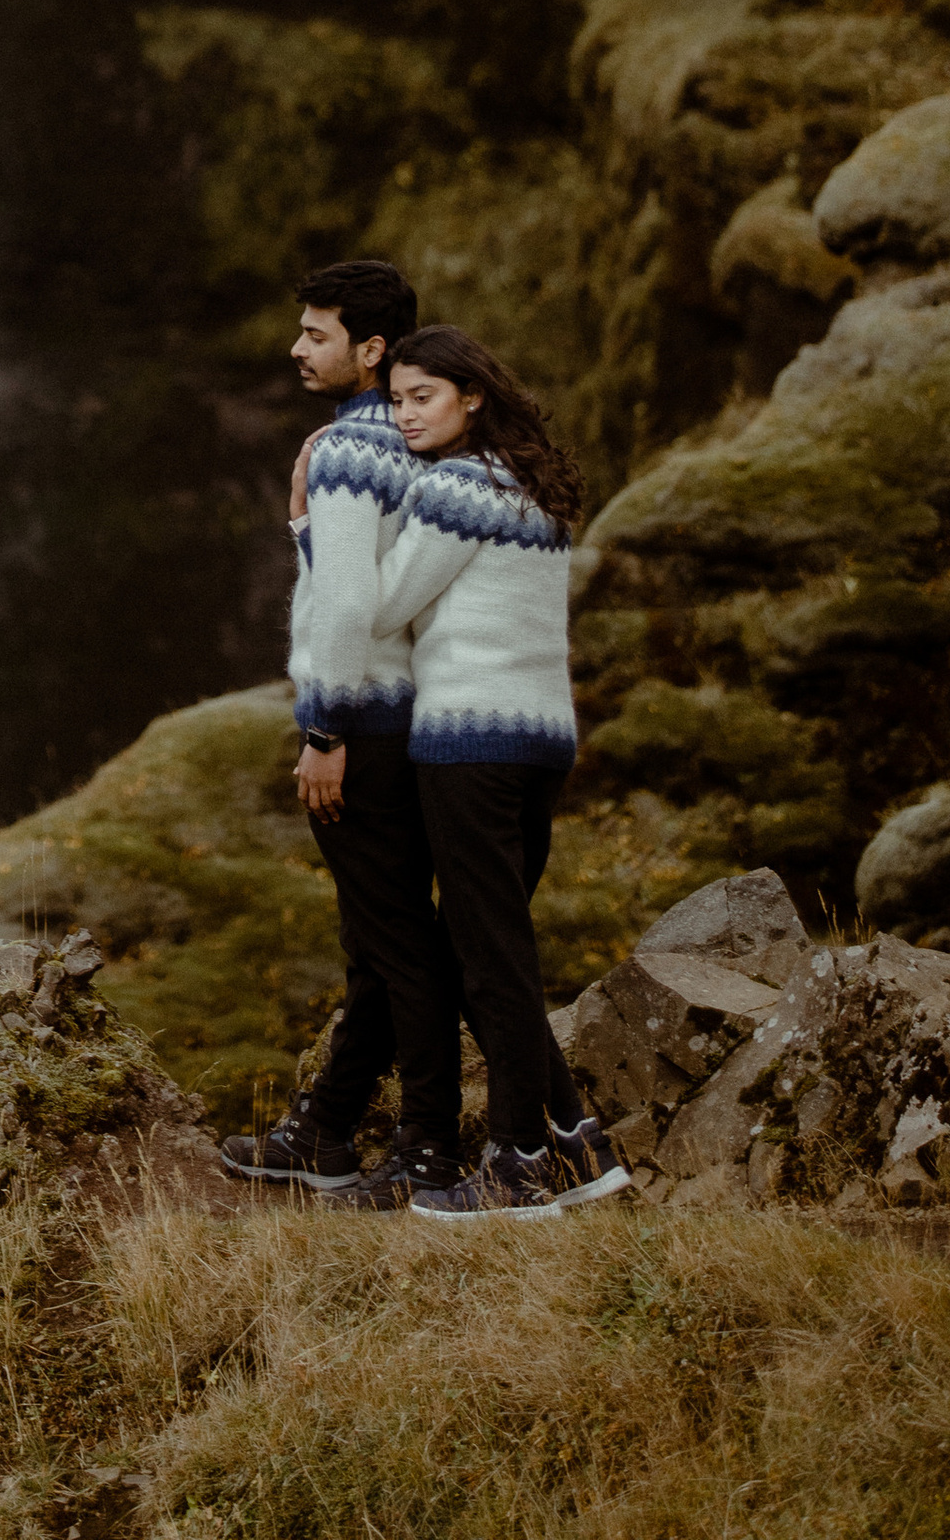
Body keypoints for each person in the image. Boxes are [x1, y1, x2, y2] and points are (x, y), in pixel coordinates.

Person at [218, 257, 469, 1209]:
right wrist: (303, 529)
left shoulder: (347, 450)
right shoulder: (416, 440)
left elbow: (349, 604)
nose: (295, 348)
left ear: (370, 349)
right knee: (380, 940)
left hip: (363, 725)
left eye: (315, 334)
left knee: (396, 945)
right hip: (416, 718)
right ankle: (323, 1132)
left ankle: (429, 1147)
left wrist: (324, 729)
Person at [370, 324, 628, 1221]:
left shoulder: (453, 489)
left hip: (467, 743)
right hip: (541, 742)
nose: (405, 416)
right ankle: (577, 1143)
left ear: (472, 396)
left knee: (490, 959)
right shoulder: (533, 486)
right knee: (490, 945)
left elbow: (382, 606)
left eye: (423, 398)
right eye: (396, 401)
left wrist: (313, 525)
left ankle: (518, 1165)